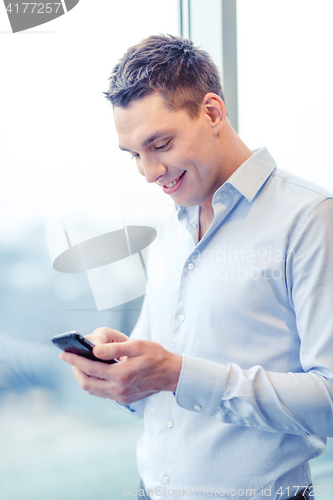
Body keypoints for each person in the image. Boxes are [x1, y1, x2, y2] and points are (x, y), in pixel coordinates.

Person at [60, 35, 333, 499]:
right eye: (134, 156)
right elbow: (165, 365)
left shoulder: (310, 219)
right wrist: (122, 367)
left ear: (211, 112)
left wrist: (175, 373)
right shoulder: (172, 225)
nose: (149, 172)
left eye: (160, 144)